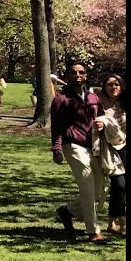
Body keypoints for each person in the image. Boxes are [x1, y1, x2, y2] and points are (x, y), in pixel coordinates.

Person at [51, 61, 107, 244]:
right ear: (68, 75)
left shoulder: (93, 98)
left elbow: (101, 117)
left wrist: (102, 123)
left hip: (93, 146)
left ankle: (67, 211)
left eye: (81, 72)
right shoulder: (61, 99)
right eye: (74, 72)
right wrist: (57, 149)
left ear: (86, 75)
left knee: (100, 189)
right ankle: (93, 231)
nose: (77, 75)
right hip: (72, 145)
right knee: (88, 188)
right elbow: (56, 127)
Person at [94, 74, 126, 237]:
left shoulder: (125, 103)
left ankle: (112, 221)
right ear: (104, 86)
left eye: (116, 84)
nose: (113, 87)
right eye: (109, 84)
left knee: (119, 188)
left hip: (125, 146)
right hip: (109, 148)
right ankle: (122, 222)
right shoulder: (99, 103)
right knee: (119, 183)